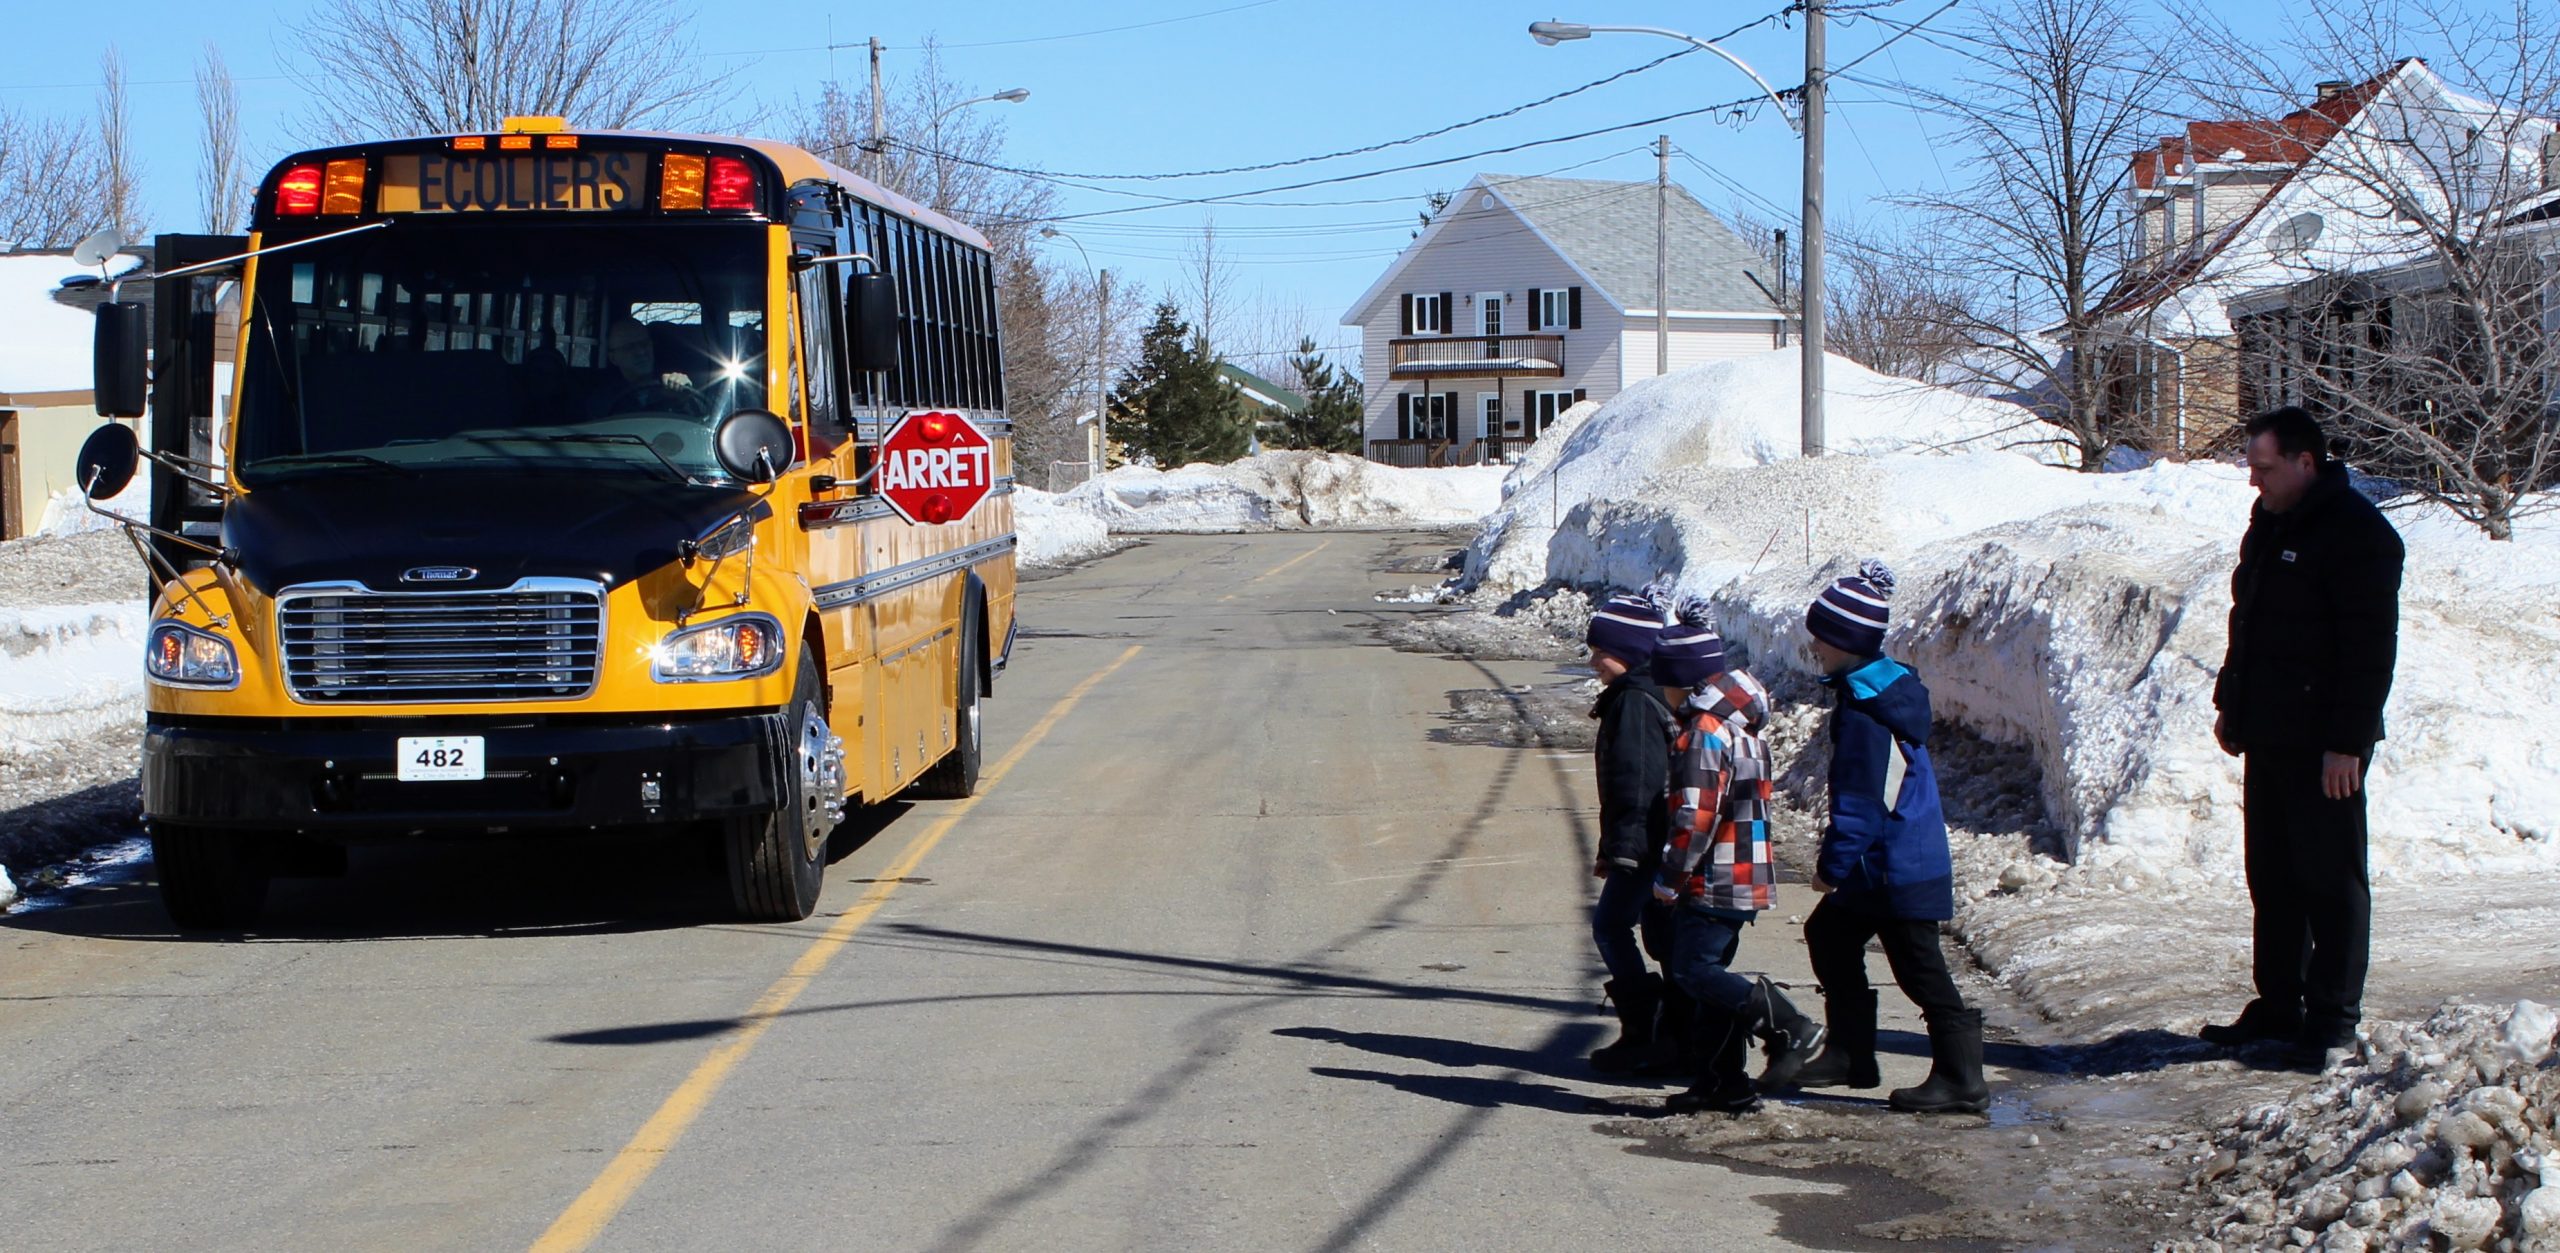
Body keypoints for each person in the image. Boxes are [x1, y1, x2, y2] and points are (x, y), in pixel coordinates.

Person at [2203, 406, 2404, 1070]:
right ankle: (2280, 1003)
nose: (2253, 482)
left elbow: (2369, 651)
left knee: (2330, 879)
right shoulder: (2270, 524)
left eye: (2263, 468)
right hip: (2272, 732)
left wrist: (2347, 741)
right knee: (2274, 875)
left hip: (2327, 744)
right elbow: (2251, 626)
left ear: (2304, 462)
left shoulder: (2359, 536)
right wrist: (2234, 707)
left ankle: (2332, 1018)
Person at [1786, 559, 1989, 1115]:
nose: (1815, 649)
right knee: (1829, 937)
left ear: (1845, 642)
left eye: (1820, 639)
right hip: (1886, 861)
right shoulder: (1880, 690)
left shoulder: (1866, 713)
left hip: (1897, 863)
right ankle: (1850, 1053)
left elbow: (1860, 800)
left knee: (1919, 966)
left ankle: (1961, 1076)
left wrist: (1832, 865)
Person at [1646, 601, 1810, 1113]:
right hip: (1744, 871)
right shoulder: (1741, 728)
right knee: (1707, 980)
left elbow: (1696, 816)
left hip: (1713, 874)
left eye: (1664, 682)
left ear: (1683, 682)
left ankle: (1786, 1024)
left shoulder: (1702, 733)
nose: (1662, 693)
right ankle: (1724, 1082)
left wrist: (1669, 877)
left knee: (1693, 971)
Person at [1583, 588, 1679, 1075]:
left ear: (1630, 652)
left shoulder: (1636, 702)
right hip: (1653, 839)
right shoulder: (1644, 692)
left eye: (1602, 651)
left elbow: (1637, 782)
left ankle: (1647, 1029)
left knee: (1611, 926)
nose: (1594, 660)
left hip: (1645, 841)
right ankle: (1671, 1034)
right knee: (1663, 937)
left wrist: (1622, 849)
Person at [589, 318, 708, 417]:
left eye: (644, 344)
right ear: (613, 358)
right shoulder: (603, 399)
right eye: (630, 347)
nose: (641, 352)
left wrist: (685, 398)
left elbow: (704, 422)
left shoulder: (674, 383)